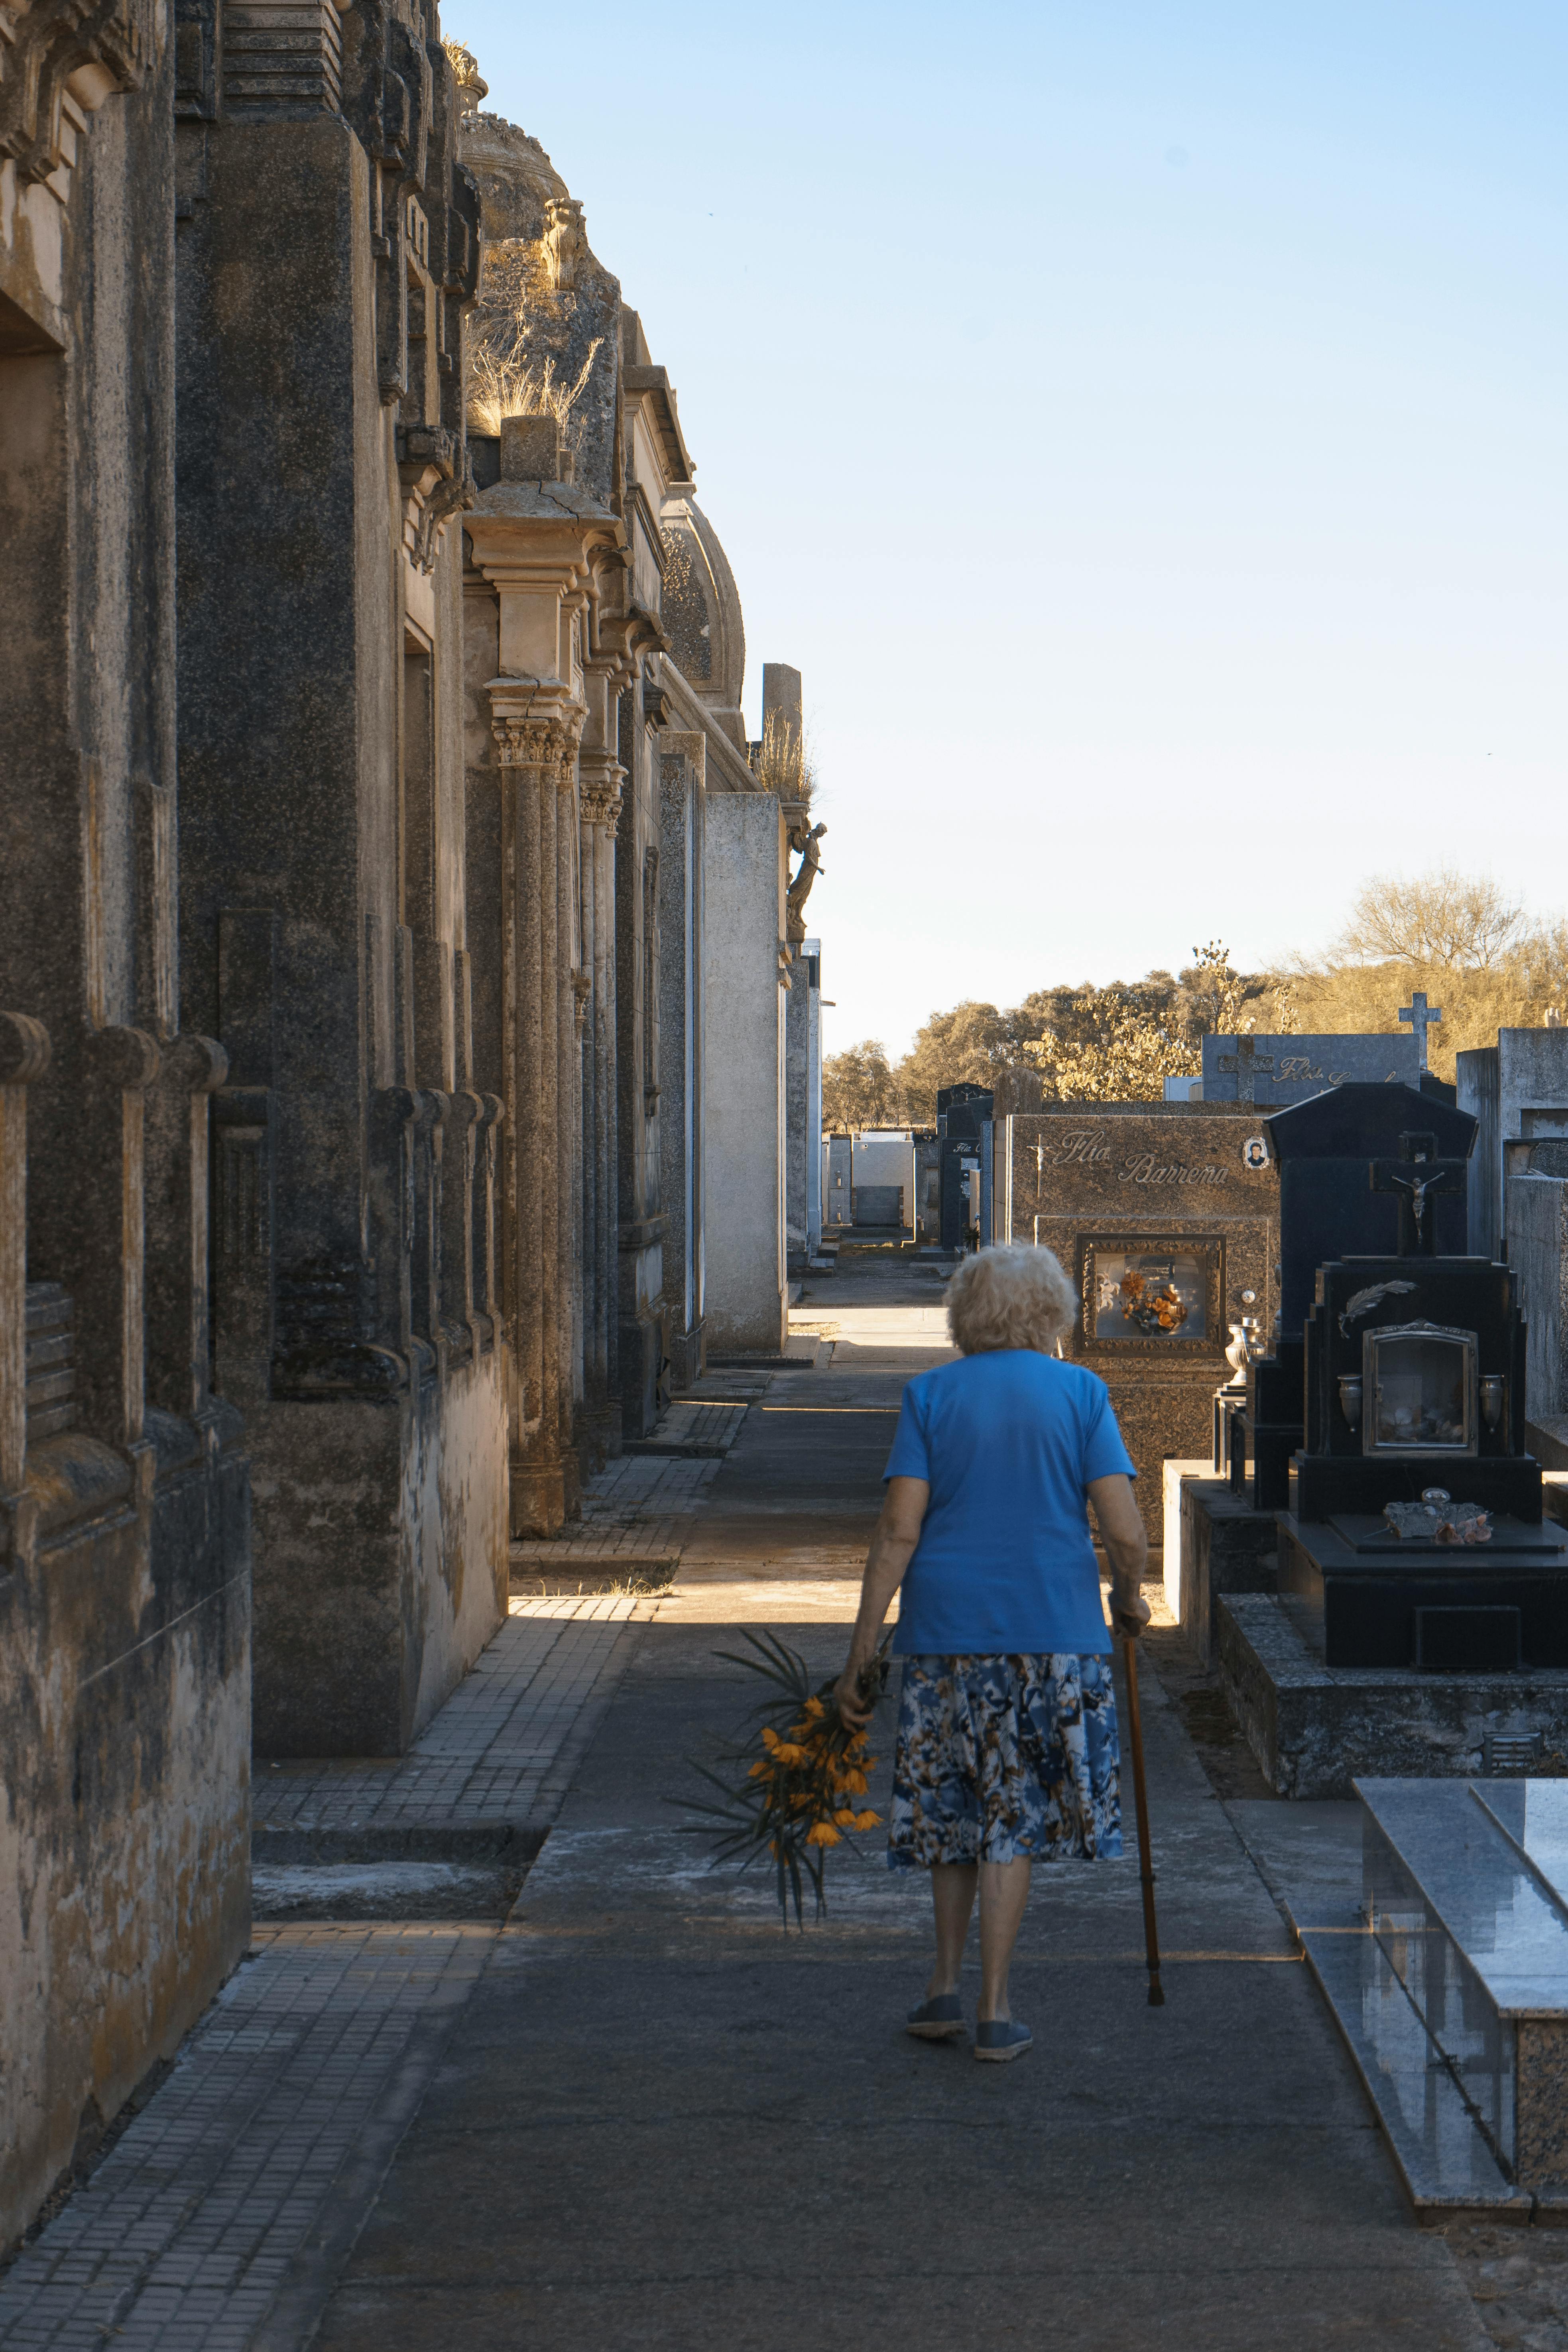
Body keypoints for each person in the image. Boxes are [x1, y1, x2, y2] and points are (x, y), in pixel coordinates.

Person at [833, 1242, 1149, 2063]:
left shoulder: (929, 1395)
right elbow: (1122, 1529)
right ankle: (994, 2005)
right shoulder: (1080, 1393)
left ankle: (940, 1984)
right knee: (1011, 1814)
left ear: (964, 1314)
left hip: (945, 1635)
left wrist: (862, 1649)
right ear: (1049, 1313)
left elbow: (898, 1529)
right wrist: (1128, 1595)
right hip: (1050, 1635)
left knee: (951, 1808)